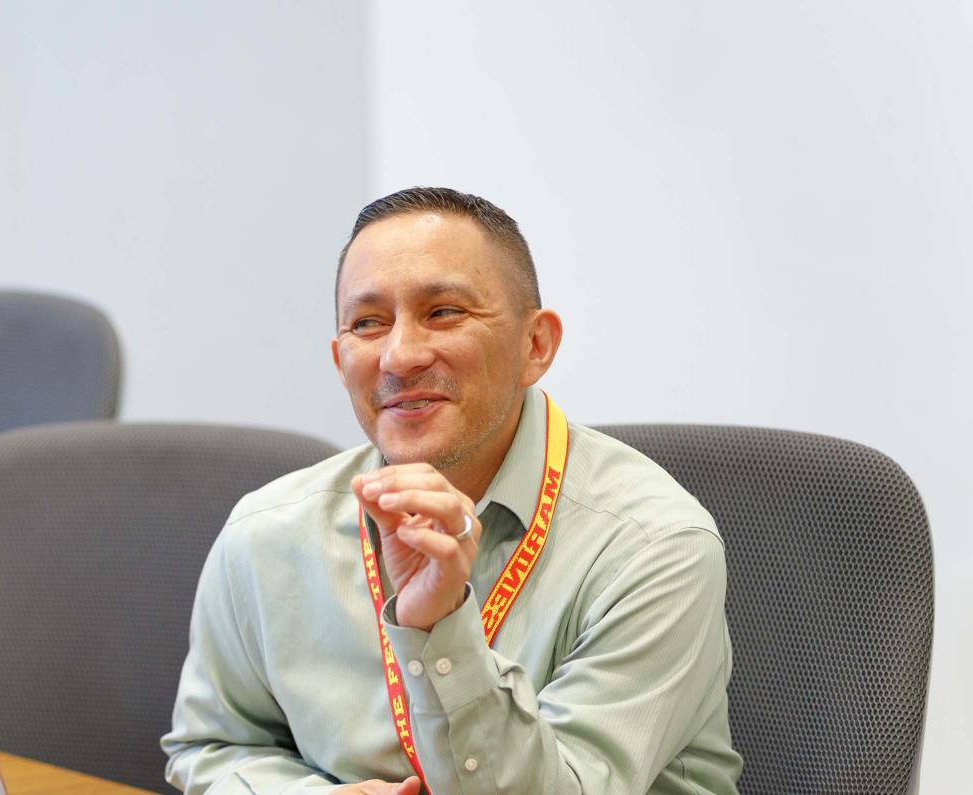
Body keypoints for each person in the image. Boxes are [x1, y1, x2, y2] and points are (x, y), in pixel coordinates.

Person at [163, 187, 741, 794]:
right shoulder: (267, 531)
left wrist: (440, 626)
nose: (400, 355)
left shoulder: (654, 545)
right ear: (340, 362)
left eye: (443, 312)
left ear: (535, 345)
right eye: (368, 323)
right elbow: (212, 745)